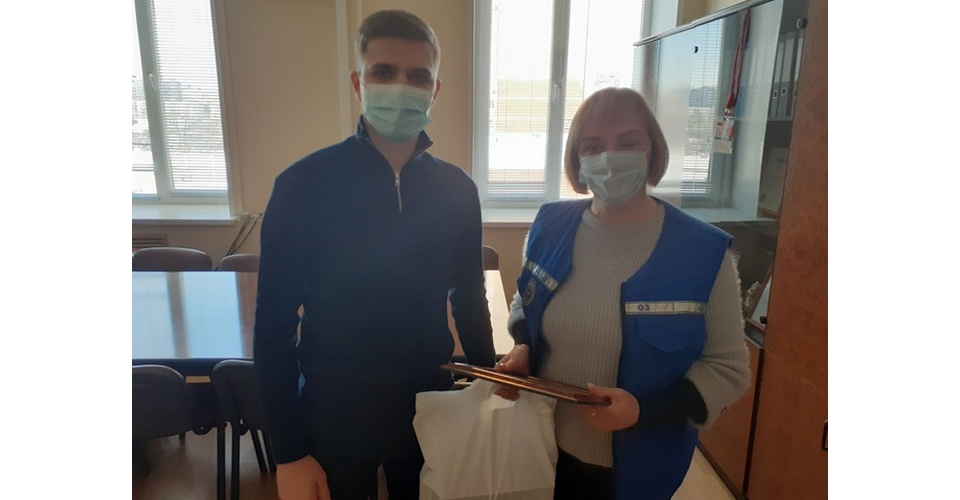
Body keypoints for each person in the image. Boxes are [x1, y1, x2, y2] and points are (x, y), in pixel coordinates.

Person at [254, 10, 496, 500]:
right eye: (384, 72)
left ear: (435, 90)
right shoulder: (302, 185)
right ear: (357, 83)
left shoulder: (457, 190)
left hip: (429, 405)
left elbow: (470, 300)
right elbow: (273, 326)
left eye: (418, 76)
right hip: (333, 411)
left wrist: (489, 390)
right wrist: (289, 452)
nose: (401, 86)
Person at [494, 87, 751, 499]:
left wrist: (643, 412)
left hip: (638, 467)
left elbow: (728, 369)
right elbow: (525, 300)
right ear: (577, 160)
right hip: (543, 448)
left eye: (628, 142)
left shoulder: (704, 253)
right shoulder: (549, 224)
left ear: (652, 150)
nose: (610, 157)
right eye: (593, 146)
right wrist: (523, 346)